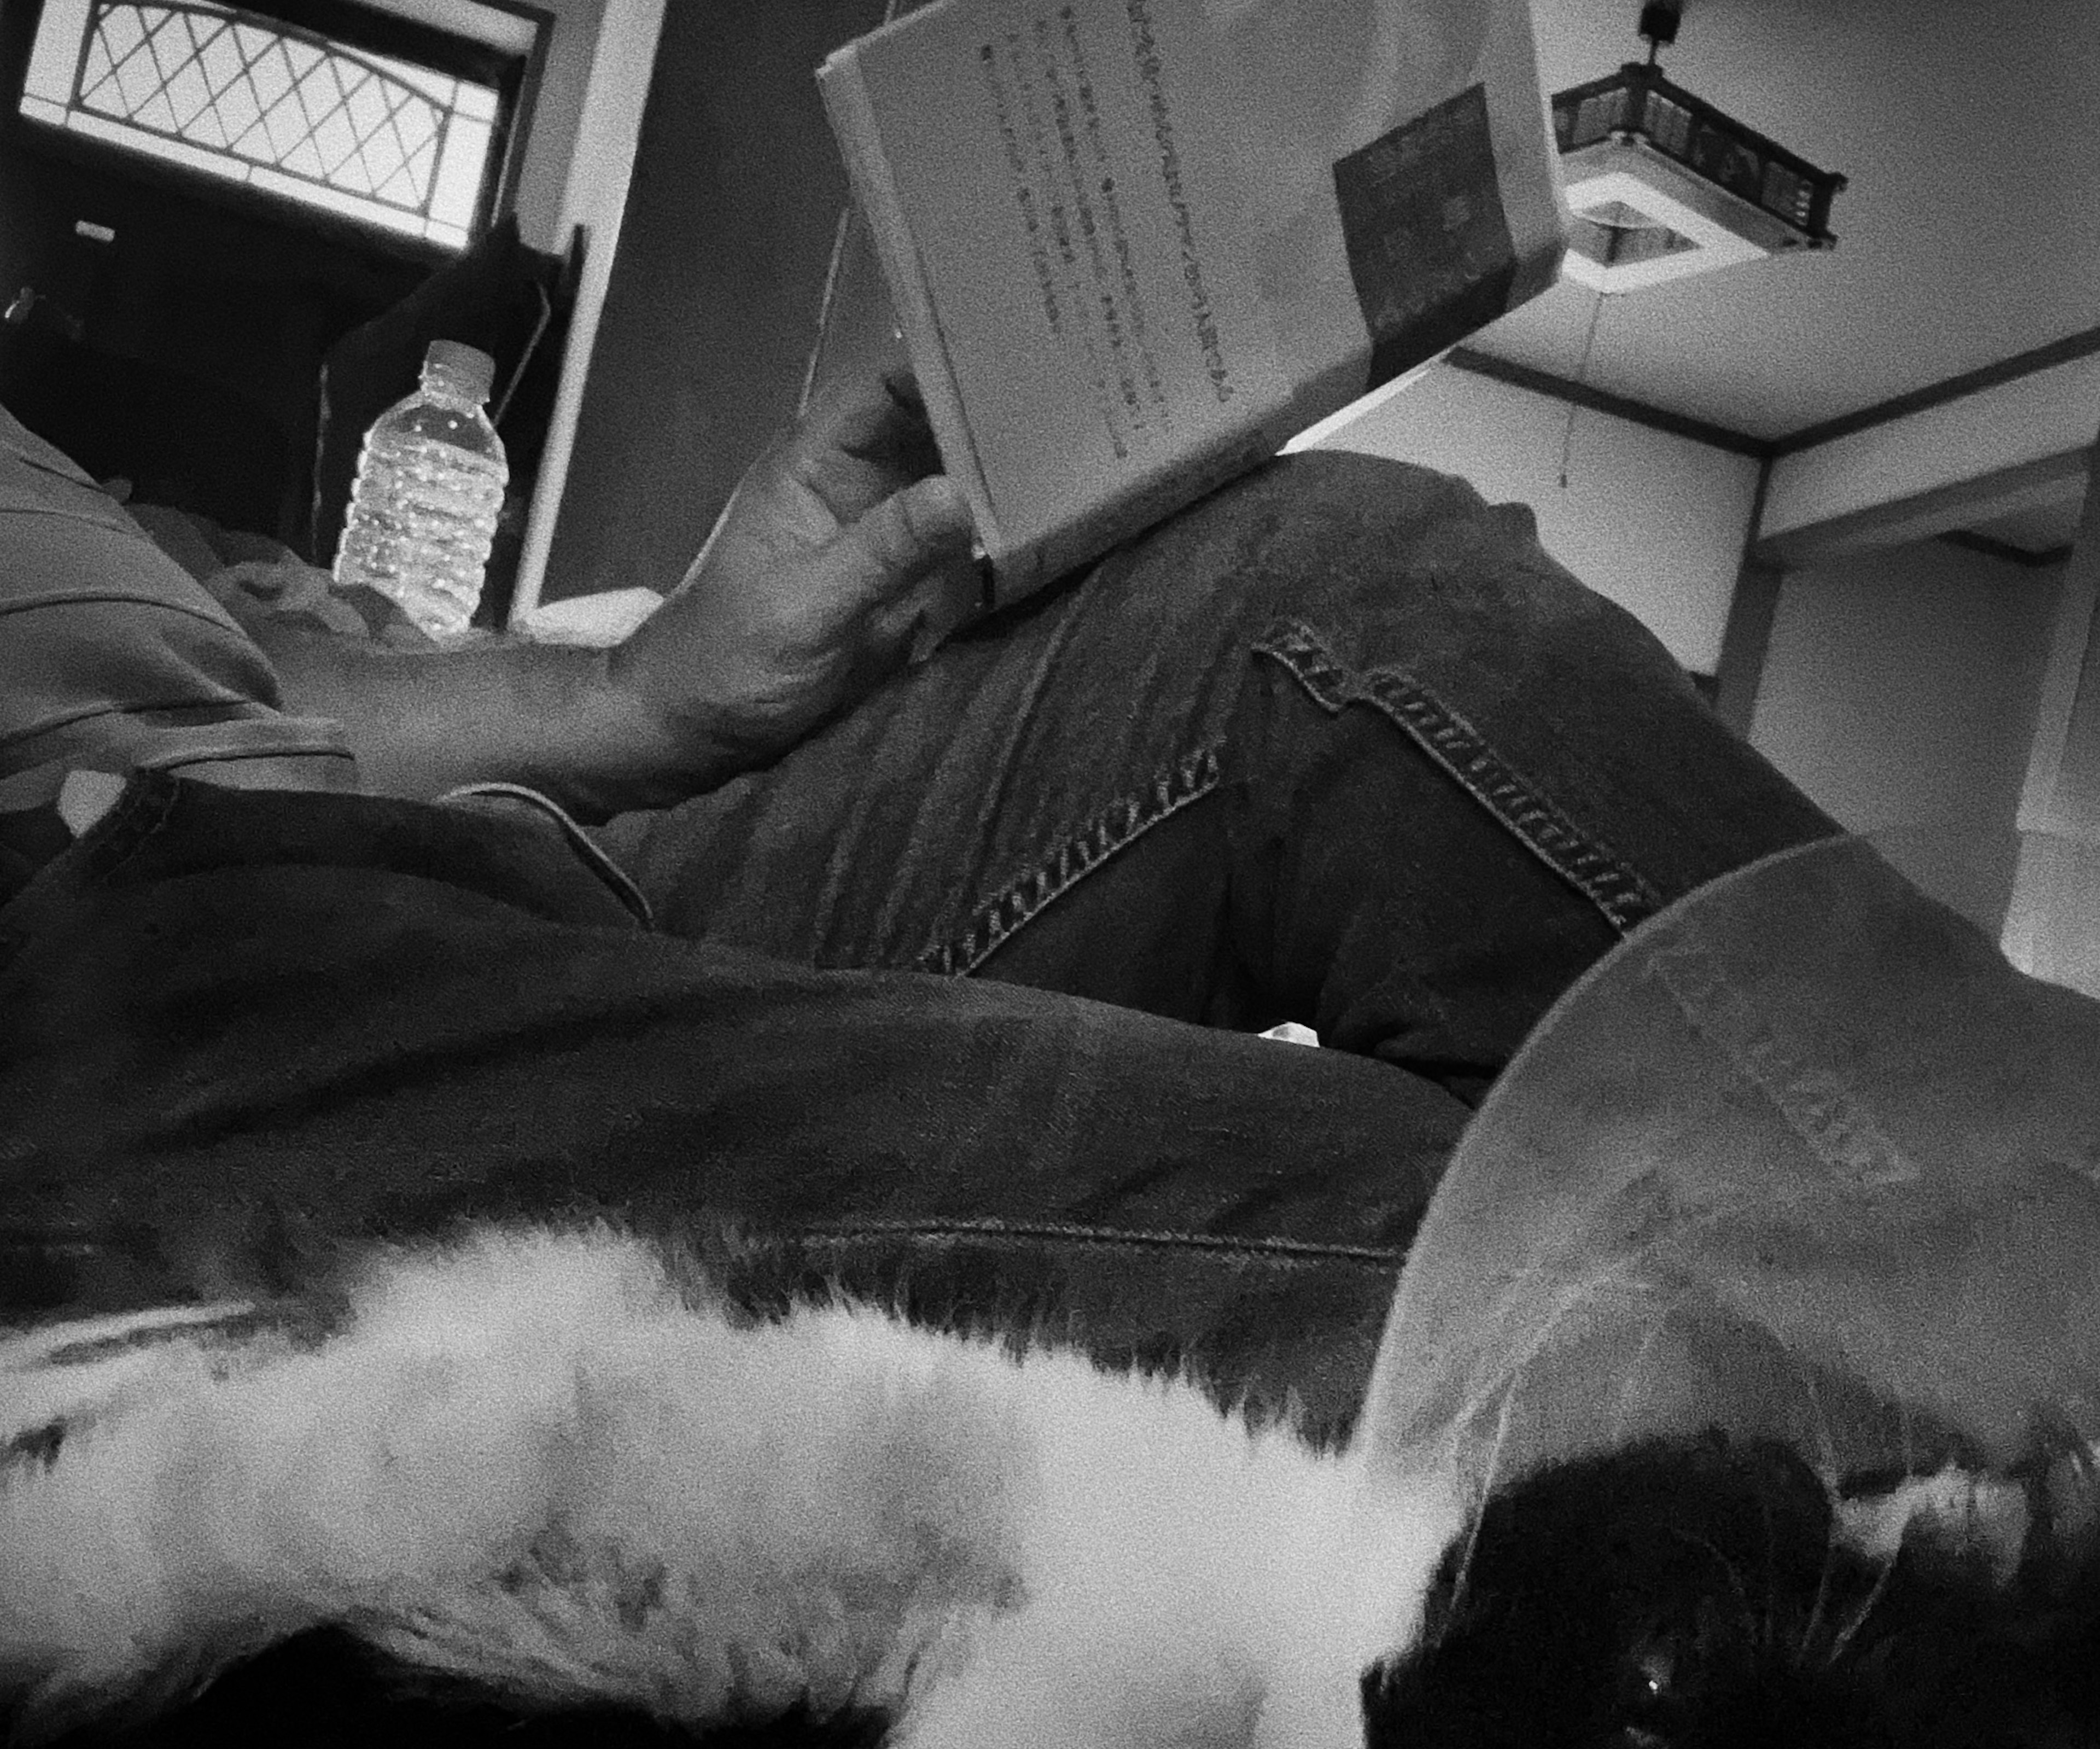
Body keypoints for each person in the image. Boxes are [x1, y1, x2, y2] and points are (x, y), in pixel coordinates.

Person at [0, 362, 1831, 1431]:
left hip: (354, 844)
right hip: (102, 1018)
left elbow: (222, 687)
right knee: (1540, 1247)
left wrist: (628, 698)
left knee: (1334, 598)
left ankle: (2021, 1228)